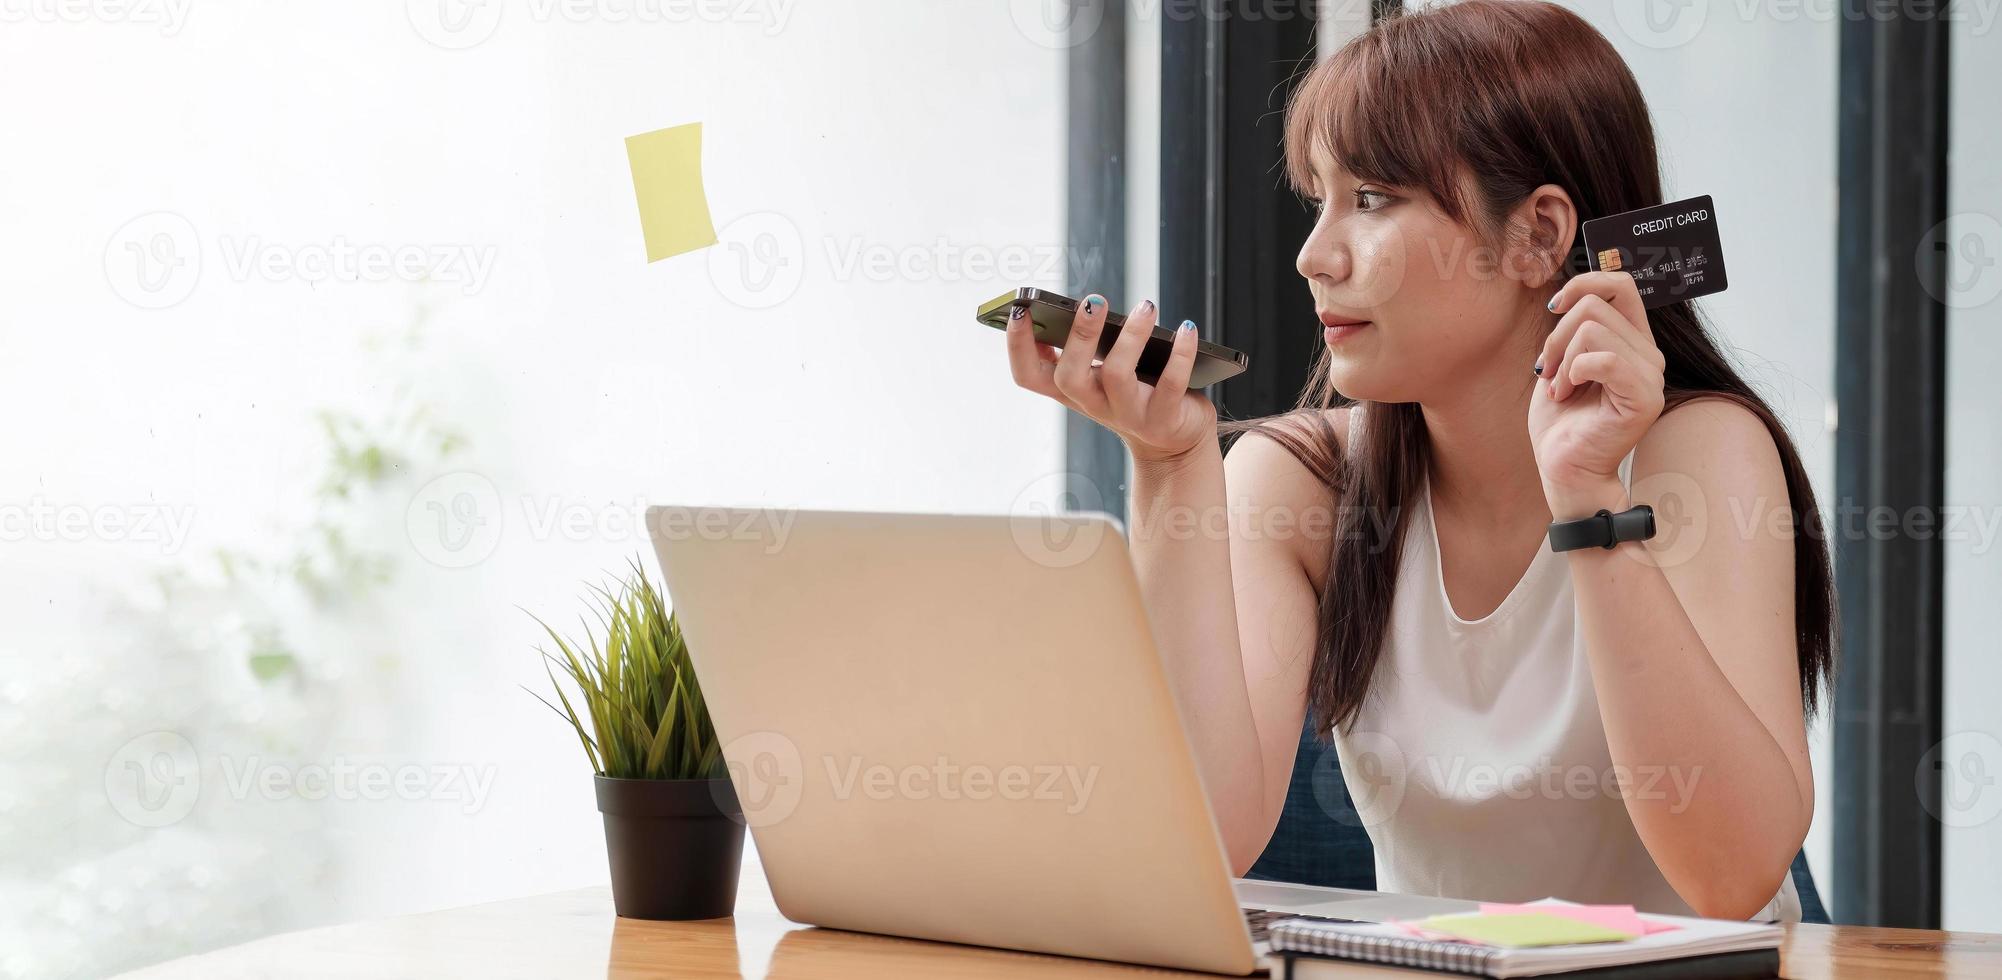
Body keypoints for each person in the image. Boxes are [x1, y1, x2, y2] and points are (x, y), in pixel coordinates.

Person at [1002, 0, 1834, 922]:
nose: (1313, 257)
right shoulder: (1303, 480)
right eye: (1320, 200)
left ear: (1537, 238)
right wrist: (1167, 467)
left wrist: (1590, 501)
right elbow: (1203, 838)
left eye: (1370, 199)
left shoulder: (1698, 452)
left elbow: (1735, 876)